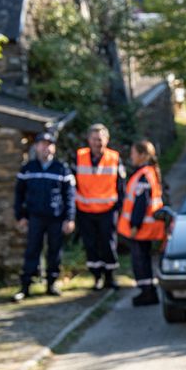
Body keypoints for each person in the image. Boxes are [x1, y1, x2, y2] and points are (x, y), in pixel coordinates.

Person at [13, 132, 75, 301]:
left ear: (53, 148)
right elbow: (19, 195)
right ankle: (26, 286)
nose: (45, 148)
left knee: (54, 252)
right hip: (35, 217)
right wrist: (20, 216)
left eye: (49, 144)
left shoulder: (61, 169)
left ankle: (51, 284)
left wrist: (69, 218)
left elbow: (69, 196)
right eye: (42, 144)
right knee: (32, 250)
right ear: (36, 147)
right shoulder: (28, 168)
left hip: (56, 218)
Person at [73, 123, 125, 290]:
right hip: (85, 211)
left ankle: (110, 277)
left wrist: (119, 207)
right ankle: (96, 277)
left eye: (101, 139)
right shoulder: (79, 156)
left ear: (107, 140)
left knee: (108, 244)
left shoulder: (115, 158)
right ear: (89, 140)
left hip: (108, 211)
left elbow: (121, 185)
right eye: (95, 139)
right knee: (90, 245)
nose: (98, 143)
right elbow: (71, 184)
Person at [117, 140, 165, 307]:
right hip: (145, 227)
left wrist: (134, 225)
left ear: (142, 155)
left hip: (141, 228)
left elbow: (140, 203)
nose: (131, 156)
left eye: (133, 153)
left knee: (140, 261)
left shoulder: (144, 174)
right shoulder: (148, 172)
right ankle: (147, 290)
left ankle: (147, 292)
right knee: (142, 259)